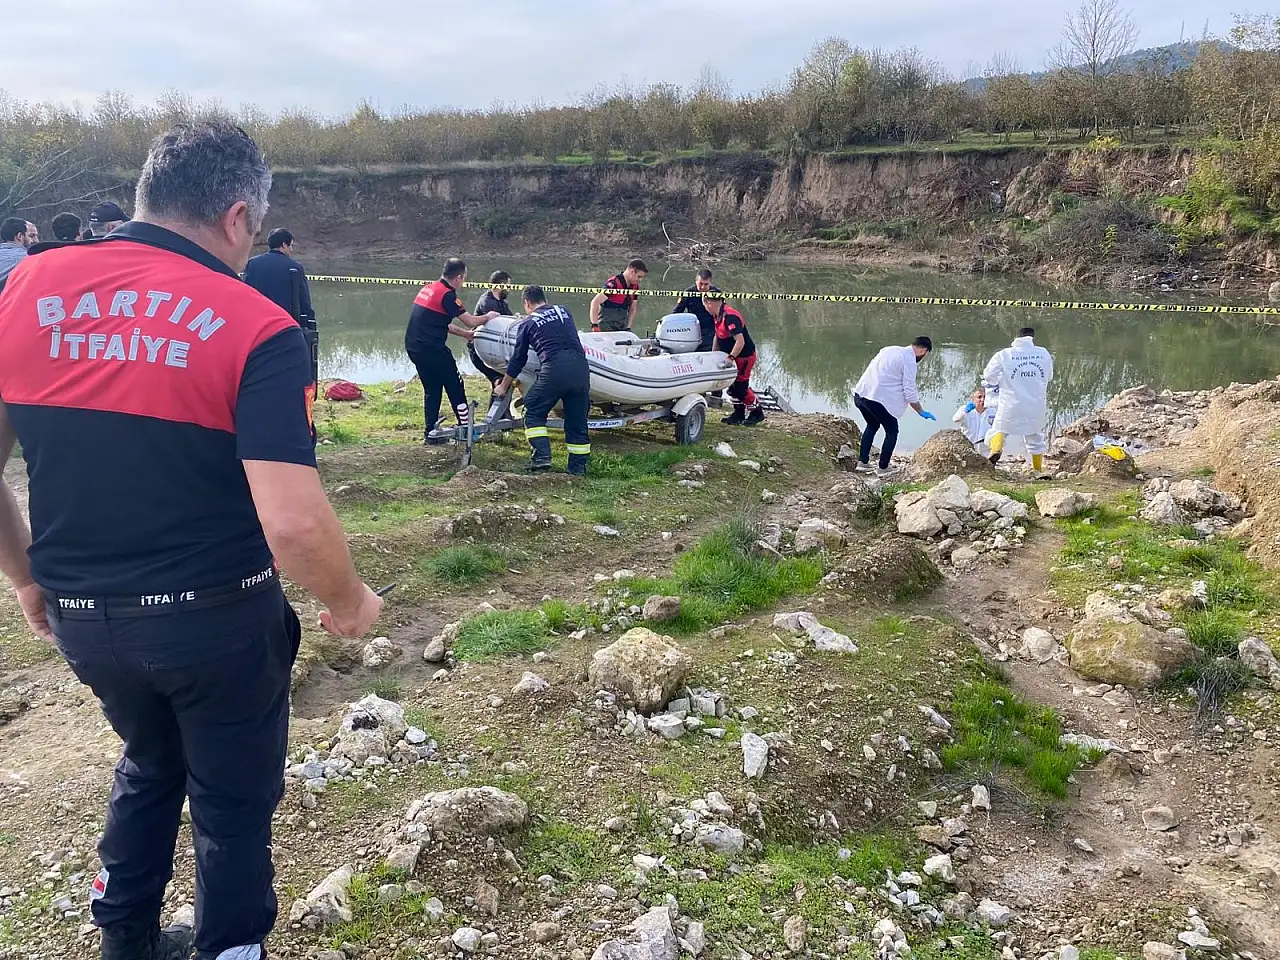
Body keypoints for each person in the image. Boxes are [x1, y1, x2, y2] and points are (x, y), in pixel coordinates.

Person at [0, 120, 383, 960]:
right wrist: (350, 601)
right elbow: (292, 521)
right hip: (216, 621)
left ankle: (125, 940)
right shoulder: (258, 324)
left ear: (146, 195)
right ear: (238, 216)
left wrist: (27, 577)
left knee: (148, 761)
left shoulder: (25, 287)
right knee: (232, 803)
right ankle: (230, 948)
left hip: (83, 619)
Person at [494, 285, 591, 475]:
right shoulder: (564, 311)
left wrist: (503, 386)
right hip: (581, 369)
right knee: (577, 421)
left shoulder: (527, 323)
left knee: (533, 411)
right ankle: (577, 469)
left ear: (527, 303)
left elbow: (518, 359)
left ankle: (541, 459)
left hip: (555, 369)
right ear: (544, 299)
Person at [404, 257, 499, 439]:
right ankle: (467, 430)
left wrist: (465, 334)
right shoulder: (448, 295)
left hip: (414, 347)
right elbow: (470, 320)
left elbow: (439, 322)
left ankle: (430, 432)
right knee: (455, 384)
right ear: (458, 277)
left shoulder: (428, 288)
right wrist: (488, 316)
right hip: (432, 349)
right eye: (464, 278)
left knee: (432, 388)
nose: (463, 282)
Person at [852, 337, 936, 475]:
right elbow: (909, 390)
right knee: (892, 431)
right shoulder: (909, 361)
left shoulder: (889, 349)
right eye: (925, 354)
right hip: (876, 399)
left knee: (872, 425)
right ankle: (883, 467)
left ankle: (863, 462)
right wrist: (920, 411)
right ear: (923, 350)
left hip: (861, 394)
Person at [982, 327, 1054, 472]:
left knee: (999, 429)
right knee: (1034, 436)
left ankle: (996, 450)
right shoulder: (1043, 353)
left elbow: (989, 376)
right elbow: (1049, 376)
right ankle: (1038, 470)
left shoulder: (1004, 354)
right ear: (1032, 338)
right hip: (1035, 404)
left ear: (1016, 338)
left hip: (1010, 403)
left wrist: (999, 381)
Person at [704, 293, 764, 426]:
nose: (705, 309)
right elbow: (717, 336)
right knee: (732, 386)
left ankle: (757, 412)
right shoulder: (717, 315)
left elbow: (740, 341)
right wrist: (713, 354)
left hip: (744, 356)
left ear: (709, 303)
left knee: (740, 388)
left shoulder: (730, 317)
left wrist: (731, 357)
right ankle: (738, 413)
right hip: (731, 356)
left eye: (705, 305)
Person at [243, 227, 314, 323]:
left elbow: (246, 293)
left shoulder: (252, 264)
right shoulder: (295, 267)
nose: (292, 249)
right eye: (291, 245)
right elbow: (304, 302)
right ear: (284, 244)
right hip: (284, 323)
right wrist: (310, 323)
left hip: (257, 321)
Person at [469, 270, 514, 394]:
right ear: (501, 285)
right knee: (500, 381)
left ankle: (500, 407)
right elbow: (498, 324)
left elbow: (510, 320)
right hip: (479, 350)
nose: (509, 289)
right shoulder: (487, 302)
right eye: (508, 286)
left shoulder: (502, 302)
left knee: (505, 382)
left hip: (495, 348)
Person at [589, 258, 647, 332]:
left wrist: (628, 327)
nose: (640, 280)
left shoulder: (635, 287)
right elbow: (595, 302)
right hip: (605, 326)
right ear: (632, 272)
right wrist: (594, 325)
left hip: (622, 326)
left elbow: (633, 308)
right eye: (639, 277)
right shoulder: (613, 283)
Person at [672, 268, 720, 351]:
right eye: (700, 284)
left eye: (706, 284)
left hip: (711, 329)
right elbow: (676, 312)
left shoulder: (716, 293)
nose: (703, 287)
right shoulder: (688, 293)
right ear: (696, 281)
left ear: (710, 282)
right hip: (693, 327)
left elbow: (723, 313)